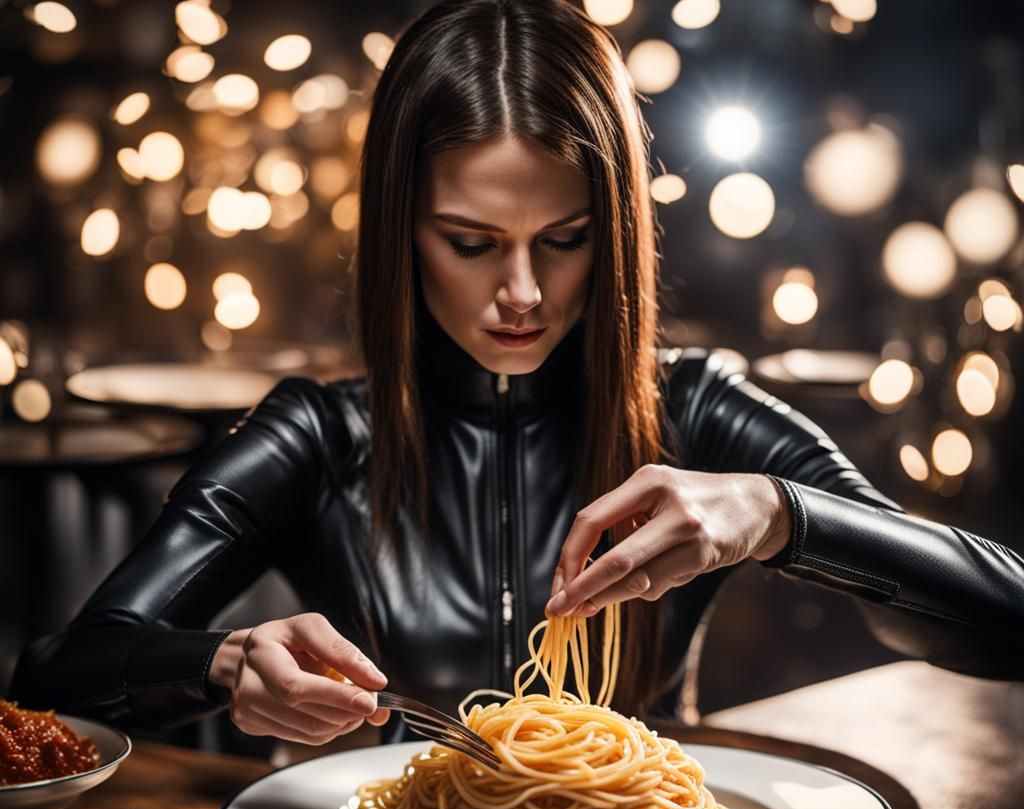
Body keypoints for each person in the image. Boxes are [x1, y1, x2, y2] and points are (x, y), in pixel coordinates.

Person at [10, 0, 1024, 749]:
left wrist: (780, 515)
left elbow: (1003, 622)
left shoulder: (699, 409)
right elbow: (57, 672)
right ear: (403, 230)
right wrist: (219, 662)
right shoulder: (319, 434)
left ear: (615, 230)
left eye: (567, 238)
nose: (523, 292)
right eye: (470, 241)